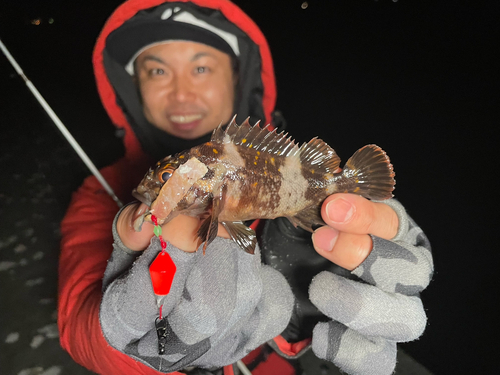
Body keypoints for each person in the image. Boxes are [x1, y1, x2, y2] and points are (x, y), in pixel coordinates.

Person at [58, 0, 434, 374]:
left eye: (201, 67)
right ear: (134, 87)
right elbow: (79, 326)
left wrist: (305, 296)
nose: (181, 93)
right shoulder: (98, 194)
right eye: (157, 71)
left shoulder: (271, 162)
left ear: (238, 76)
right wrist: (131, 339)